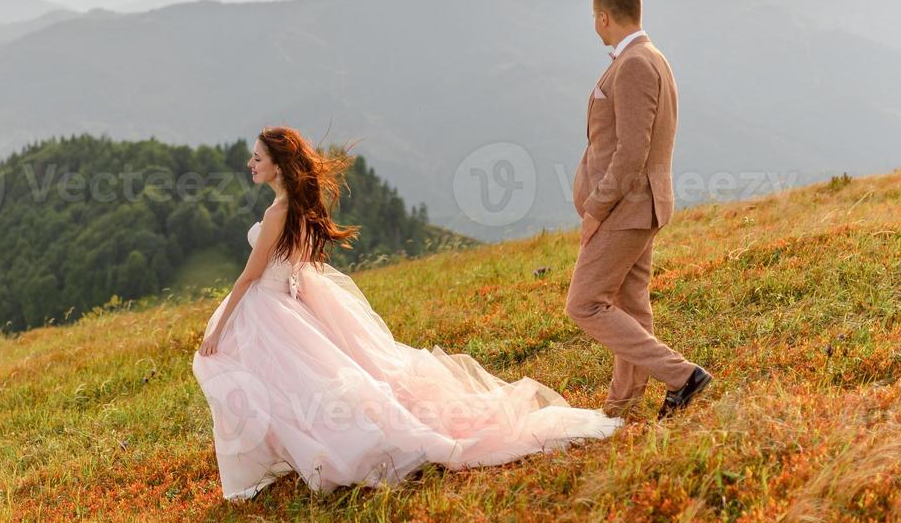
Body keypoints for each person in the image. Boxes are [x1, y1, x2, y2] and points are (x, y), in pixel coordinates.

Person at [192, 126, 620, 501]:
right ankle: (289, 455)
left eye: (257, 157)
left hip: (271, 304)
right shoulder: (301, 210)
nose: (250, 163)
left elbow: (249, 276)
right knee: (296, 387)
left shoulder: (277, 212)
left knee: (251, 376)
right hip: (290, 302)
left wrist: (220, 327)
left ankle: (309, 456)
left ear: (278, 166)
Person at [568, 0, 713, 420]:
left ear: (603, 16)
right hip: (640, 205)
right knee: (631, 306)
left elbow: (632, 150)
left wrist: (595, 210)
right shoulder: (652, 58)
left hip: (625, 208)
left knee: (585, 303)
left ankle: (683, 376)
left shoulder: (633, 64)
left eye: (595, 17)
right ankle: (622, 407)